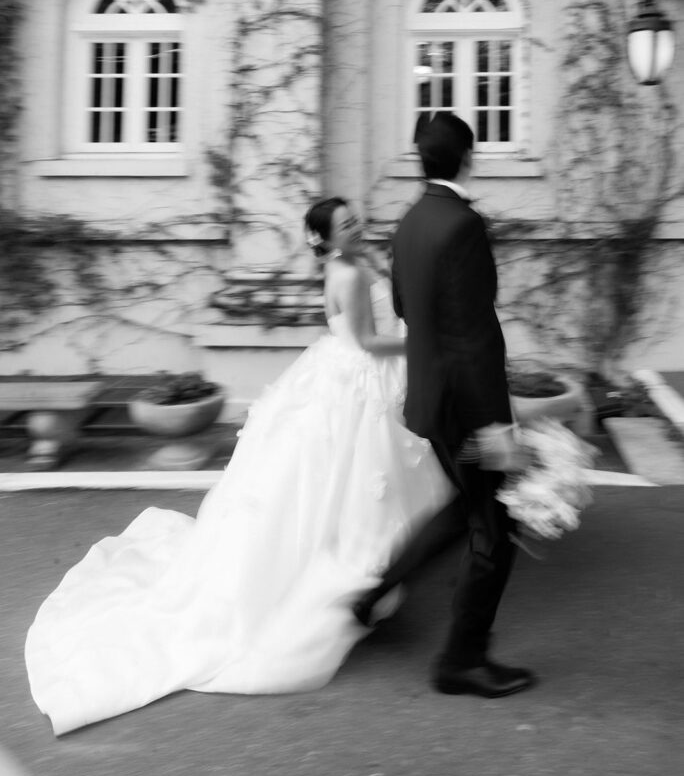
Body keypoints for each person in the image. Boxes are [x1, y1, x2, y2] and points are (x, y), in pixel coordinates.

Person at [25, 197, 453, 736]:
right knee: (350, 478)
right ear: (326, 239)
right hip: (358, 378)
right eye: (346, 224)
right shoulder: (347, 272)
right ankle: (348, 581)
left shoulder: (354, 263)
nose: (357, 225)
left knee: (353, 479)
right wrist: (422, 344)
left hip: (346, 376)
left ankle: (372, 576)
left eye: (355, 218)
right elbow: (367, 341)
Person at [353, 113, 535, 699]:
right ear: (467, 158)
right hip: (466, 403)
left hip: (430, 396)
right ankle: (462, 660)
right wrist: (496, 423)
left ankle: (377, 586)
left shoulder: (406, 225)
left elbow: (407, 309)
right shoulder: (465, 225)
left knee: (464, 508)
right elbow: (476, 333)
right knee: (496, 529)